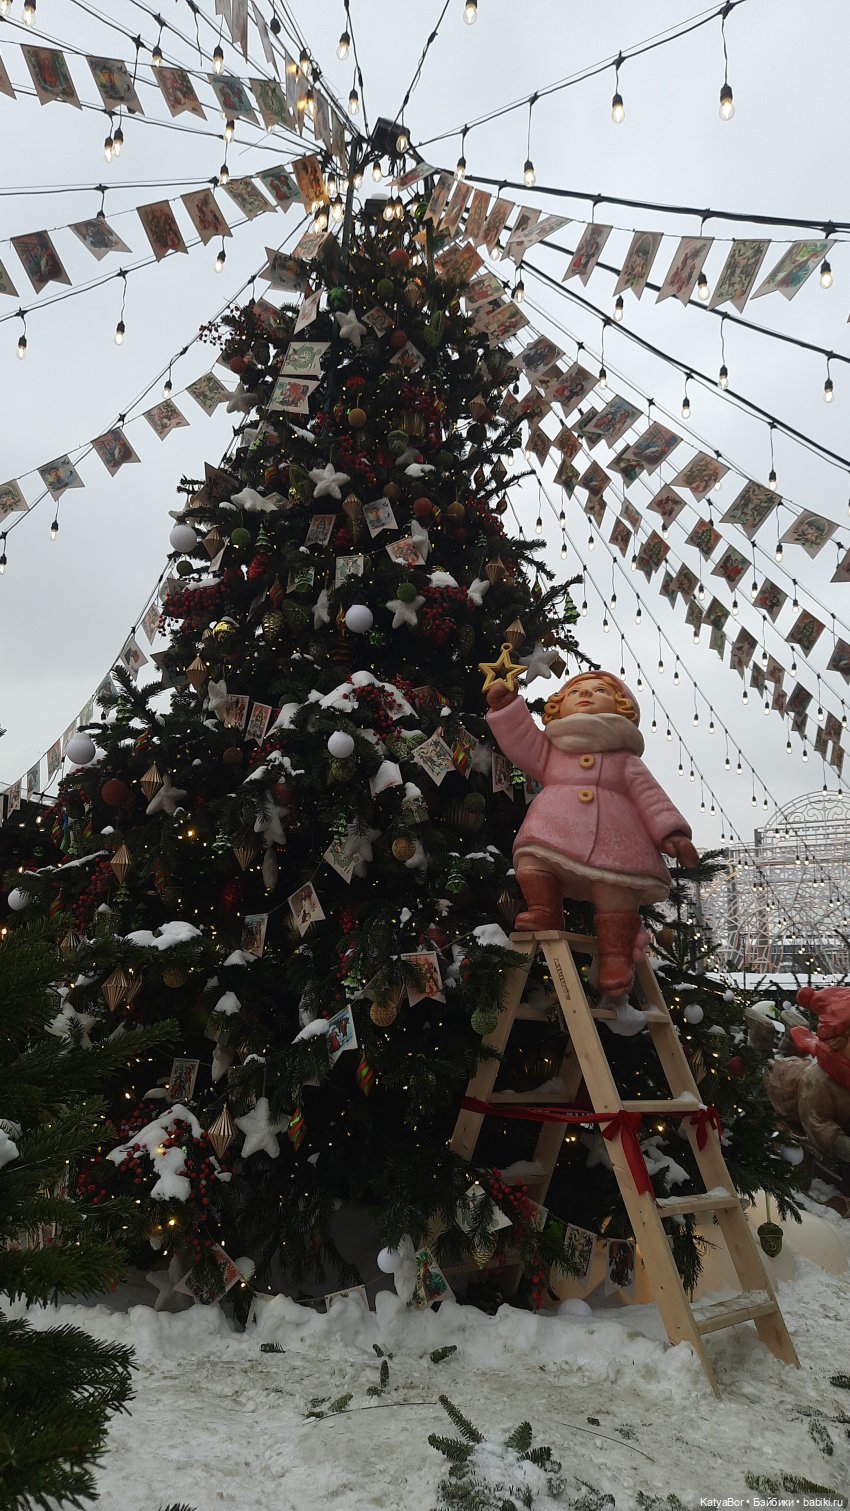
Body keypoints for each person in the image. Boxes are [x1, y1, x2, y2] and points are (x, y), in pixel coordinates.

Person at [486, 671, 698, 1029]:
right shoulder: (551, 749)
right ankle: (545, 910)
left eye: (600, 691)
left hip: (617, 839)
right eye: (575, 692)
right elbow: (521, 741)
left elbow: (651, 797)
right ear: (558, 706)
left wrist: (673, 833)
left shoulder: (625, 760)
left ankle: (616, 957)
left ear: (622, 707)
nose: (585, 695)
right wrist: (507, 706)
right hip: (553, 829)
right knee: (532, 860)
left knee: (617, 889)